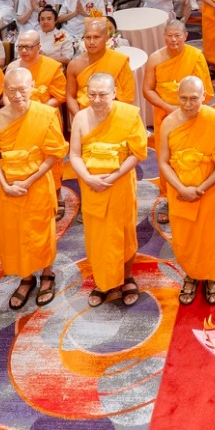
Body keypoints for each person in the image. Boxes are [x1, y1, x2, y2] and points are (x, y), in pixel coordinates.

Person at [0, 66, 68, 310]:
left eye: (22, 89)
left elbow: (54, 154)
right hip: (8, 186)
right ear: (4, 90)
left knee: (40, 231)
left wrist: (28, 181)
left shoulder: (45, 114)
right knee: (14, 233)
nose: (17, 95)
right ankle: (26, 277)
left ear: (32, 87)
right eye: (11, 90)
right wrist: (4, 184)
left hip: (36, 184)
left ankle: (47, 274)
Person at [68, 70, 147, 308]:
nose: (97, 100)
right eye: (92, 94)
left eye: (102, 94)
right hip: (91, 185)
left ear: (114, 93)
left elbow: (137, 153)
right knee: (98, 235)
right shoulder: (80, 117)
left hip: (120, 183)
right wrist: (87, 178)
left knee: (123, 232)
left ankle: (127, 277)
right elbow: (74, 155)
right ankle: (103, 280)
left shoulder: (128, 115)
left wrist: (113, 176)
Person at [157, 73, 215, 305]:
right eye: (183, 98)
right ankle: (191, 274)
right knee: (186, 237)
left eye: (193, 98)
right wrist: (182, 188)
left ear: (204, 97)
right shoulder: (169, 123)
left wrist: (200, 188)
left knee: (211, 237)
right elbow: (163, 162)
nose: (188, 104)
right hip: (179, 191)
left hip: (210, 190)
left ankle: (211, 276)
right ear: (177, 96)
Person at [66, 17, 136, 113]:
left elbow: (128, 96)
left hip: (115, 114)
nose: (91, 42)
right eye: (88, 37)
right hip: (86, 114)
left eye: (96, 37)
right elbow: (70, 97)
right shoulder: (74, 65)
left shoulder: (119, 60)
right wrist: (80, 117)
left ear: (106, 38)